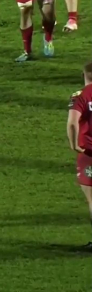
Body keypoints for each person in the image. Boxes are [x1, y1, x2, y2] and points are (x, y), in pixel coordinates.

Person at [67, 61, 92, 251]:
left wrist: (74, 143)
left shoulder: (80, 95)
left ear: (85, 75)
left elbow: (73, 122)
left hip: (89, 154)